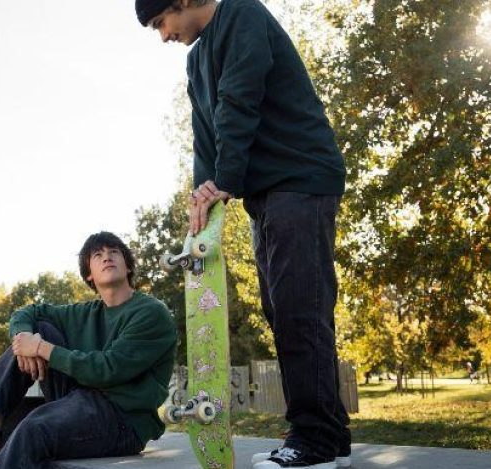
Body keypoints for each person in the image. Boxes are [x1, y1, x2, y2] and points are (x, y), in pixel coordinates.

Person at [136, 1, 351, 467]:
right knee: (284, 312)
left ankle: (313, 442)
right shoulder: (196, 59)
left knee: (300, 311)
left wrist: (226, 181)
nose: (163, 35)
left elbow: (239, 99)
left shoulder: (242, 15)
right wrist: (202, 199)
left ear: (183, 2)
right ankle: (330, 438)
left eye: (161, 22)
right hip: (267, 195)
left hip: (301, 180)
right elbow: (205, 135)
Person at [0, 232, 178, 468]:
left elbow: (107, 369)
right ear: (89, 274)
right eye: (97, 255)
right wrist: (25, 340)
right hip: (80, 398)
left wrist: (41, 348)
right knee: (39, 330)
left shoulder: (150, 313)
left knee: (33, 428)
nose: (107, 257)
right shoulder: (85, 312)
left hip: (123, 420)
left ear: (128, 266)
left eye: (114, 252)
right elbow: (28, 312)